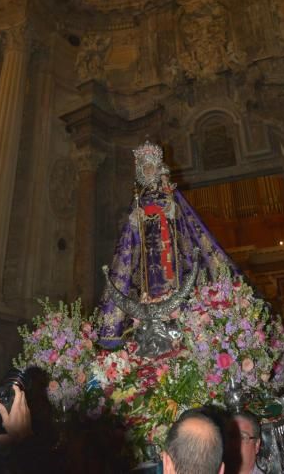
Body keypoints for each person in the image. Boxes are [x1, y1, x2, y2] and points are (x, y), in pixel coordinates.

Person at [99, 140, 238, 345]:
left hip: (168, 252)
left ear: (157, 168)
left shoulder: (170, 194)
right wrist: (135, 220)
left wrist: (170, 211)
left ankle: (178, 323)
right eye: (144, 167)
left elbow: (183, 221)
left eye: (151, 166)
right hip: (146, 255)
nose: (147, 170)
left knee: (173, 287)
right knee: (143, 287)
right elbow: (130, 237)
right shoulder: (139, 198)